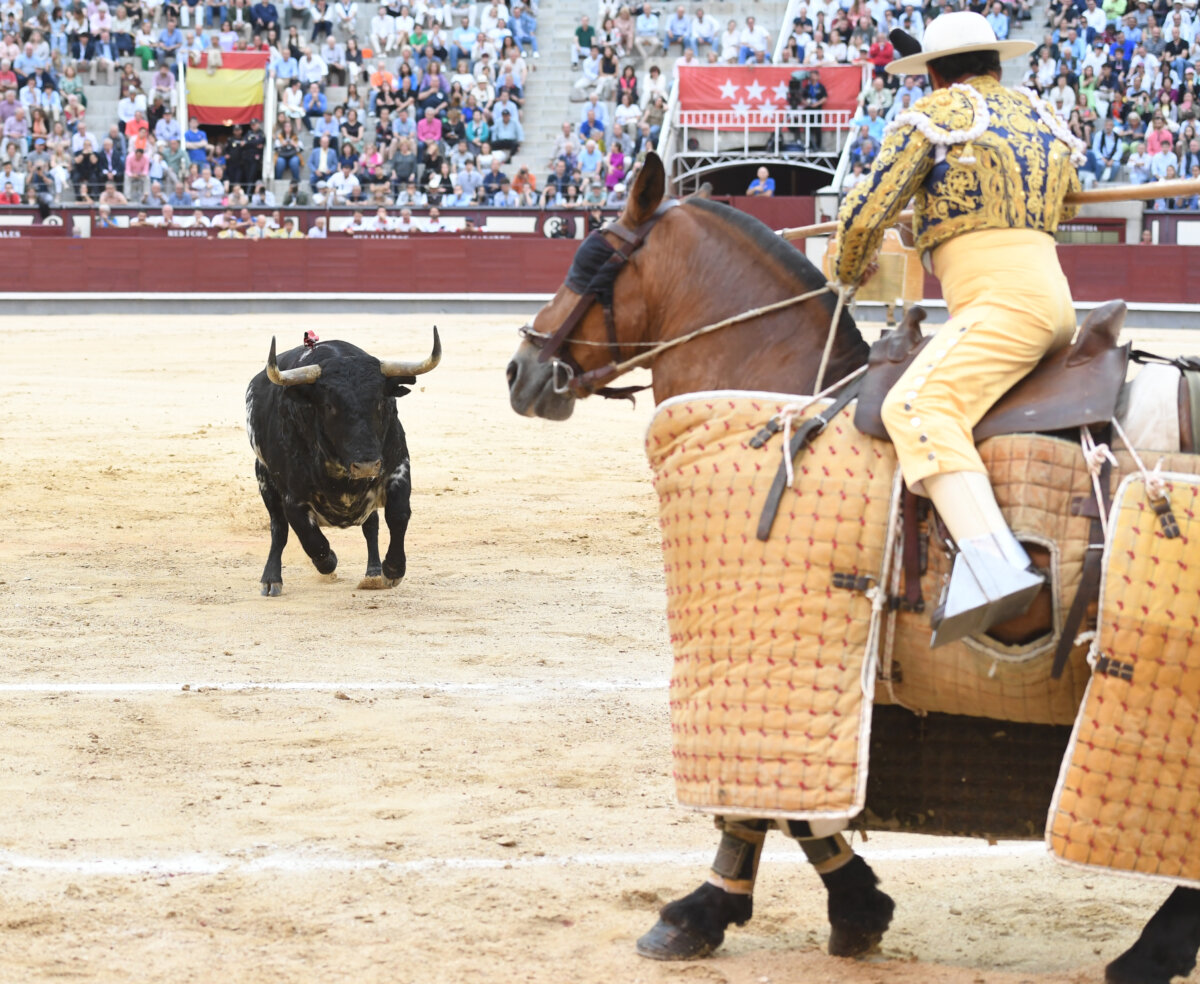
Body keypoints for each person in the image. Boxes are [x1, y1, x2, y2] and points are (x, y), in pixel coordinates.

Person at [834, 11, 1083, 646]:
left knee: (918, 404)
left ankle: (995, 566)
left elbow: (867, 211)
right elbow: (1068, 198)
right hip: (1052, 300)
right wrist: (935, 216)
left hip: (1003, 305)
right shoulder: (1042, 119)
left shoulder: (939, 116)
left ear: (935, 74)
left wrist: (845, 269)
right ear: (997, 63)